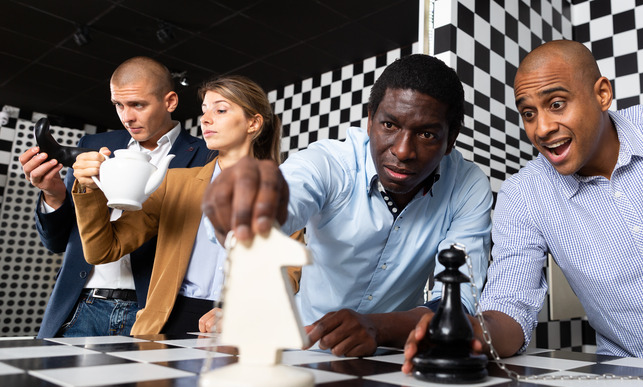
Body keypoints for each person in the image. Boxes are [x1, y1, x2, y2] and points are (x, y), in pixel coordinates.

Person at [403, 40, 643, 372]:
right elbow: (510, 304)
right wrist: (470, 332)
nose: (542, 128)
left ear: (602, 94)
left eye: (556, 104)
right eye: (529, 113)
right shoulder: (523, 195)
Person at [201, 54, 493, 357]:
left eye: (426, 134)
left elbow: (459, 301)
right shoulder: (330, 163)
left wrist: (379, 328)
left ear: (450, 140)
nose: (403, 151)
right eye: (389, 125)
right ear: (370, 121)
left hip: (394, 357)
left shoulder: (467, 185)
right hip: (302, 349)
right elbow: (285, 196)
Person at [70, 75, 287, 335]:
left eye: (220, 110)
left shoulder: (285, 189)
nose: (205, 119)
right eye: (204, 110)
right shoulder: (174, 183)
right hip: (169, 321)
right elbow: (102, 251)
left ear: (253, 123)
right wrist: (90, 189)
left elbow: (290, 272)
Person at [19, 56, 210, 338]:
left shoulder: (207, 157)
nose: (126, 116)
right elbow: (56, 243)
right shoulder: (92, 146)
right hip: (80, 305)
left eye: (137, 105)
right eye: (118, 105)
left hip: (153, 312)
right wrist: (53, 194)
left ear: (170, 101)